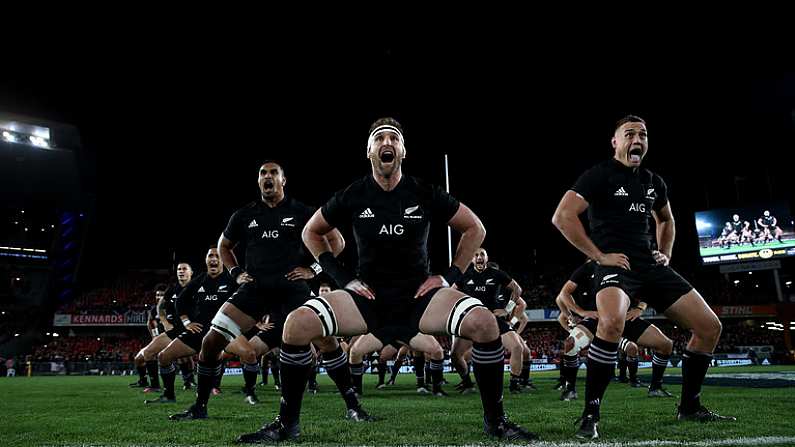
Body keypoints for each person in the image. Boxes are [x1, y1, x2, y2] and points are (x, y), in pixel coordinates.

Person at [237, 118, 537, 443]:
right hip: (367, 298)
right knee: (296, 325)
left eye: (394, 138)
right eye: (379, 138)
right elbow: (312, 232)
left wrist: (449, 276)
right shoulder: (354, 193)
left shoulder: (423, 191)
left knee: (485, 323)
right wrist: (341, 277)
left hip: (419, 297)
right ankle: (286, 426)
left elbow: (475, 228)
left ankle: (496, 422)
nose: (387, 143)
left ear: (403, 151)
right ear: (369, 151)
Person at [552, 115, 734, 439]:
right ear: (615, 141)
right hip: (615, 266)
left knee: (710, 328)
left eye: (643, 135)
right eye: (630, 134)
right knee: (610, 324)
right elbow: (562, 216)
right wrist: (598, 256)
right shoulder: (599, 176)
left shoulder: (653, 181)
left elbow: (667, 220)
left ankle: (689, 407)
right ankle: (589, 414)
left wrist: (665, 252)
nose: (637, 139)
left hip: (650, 267)